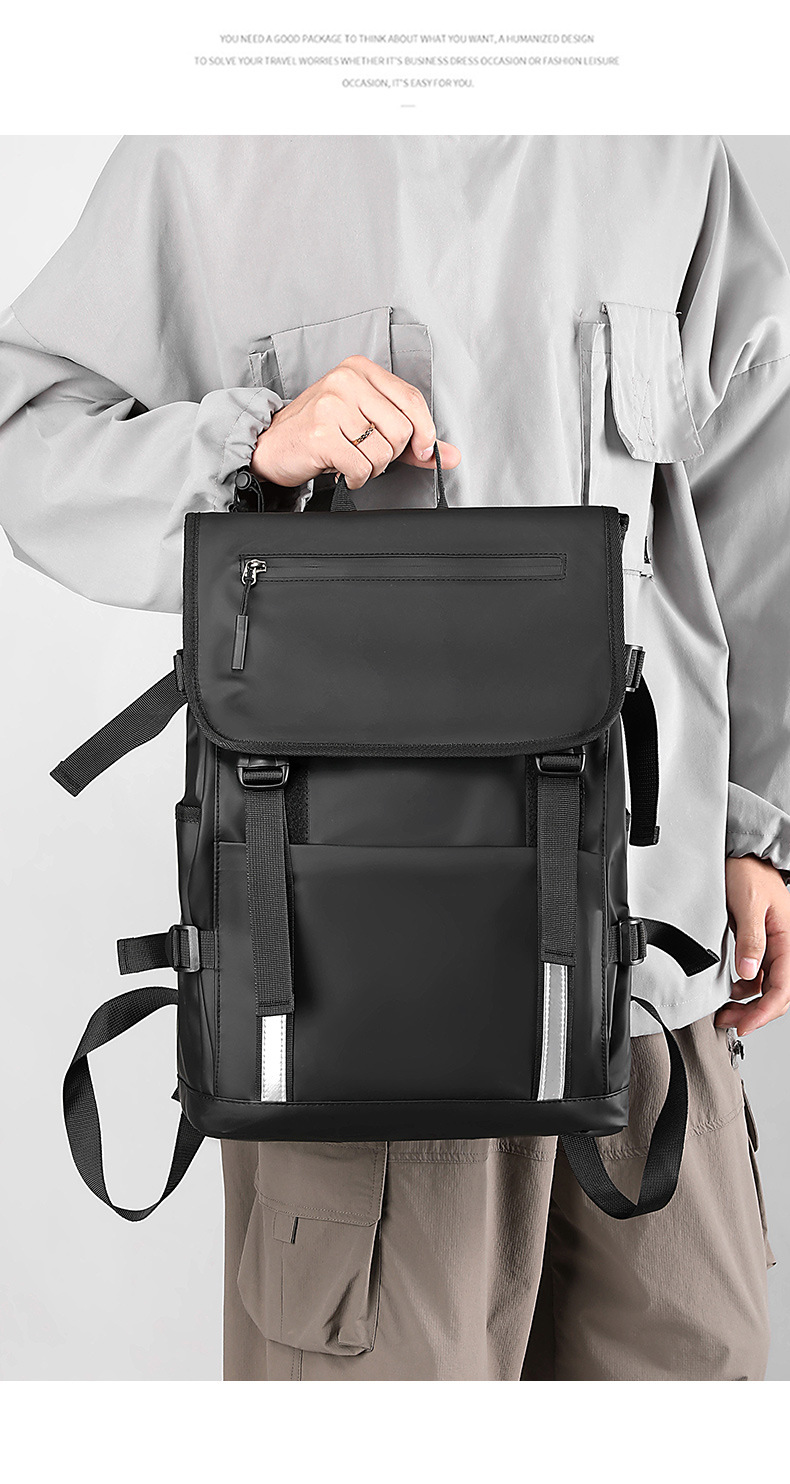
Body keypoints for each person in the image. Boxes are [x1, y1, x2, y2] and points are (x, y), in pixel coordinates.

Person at [0, 135, 787, 1382]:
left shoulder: (665, 144)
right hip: (351, 1007)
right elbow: (27, 433)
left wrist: (753, 821)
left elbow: (756, 478)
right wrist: (248, 448)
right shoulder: (212, 150)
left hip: (647, 979)